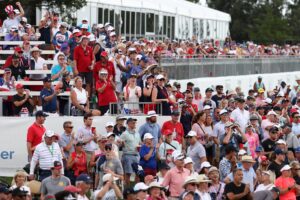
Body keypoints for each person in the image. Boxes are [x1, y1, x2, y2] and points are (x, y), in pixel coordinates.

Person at [119, 117, 140, 185]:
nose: (135, 124)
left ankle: (136, 189)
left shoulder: (137, 134)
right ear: (128, 124)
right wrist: (122, 143)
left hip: (136, 155)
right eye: (133, 123)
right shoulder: (124, 134)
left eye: (135, 123)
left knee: (138, 173)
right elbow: (119, 143)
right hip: (128, 155)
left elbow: (139, 143)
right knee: (128, 173)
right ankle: (127, 189)